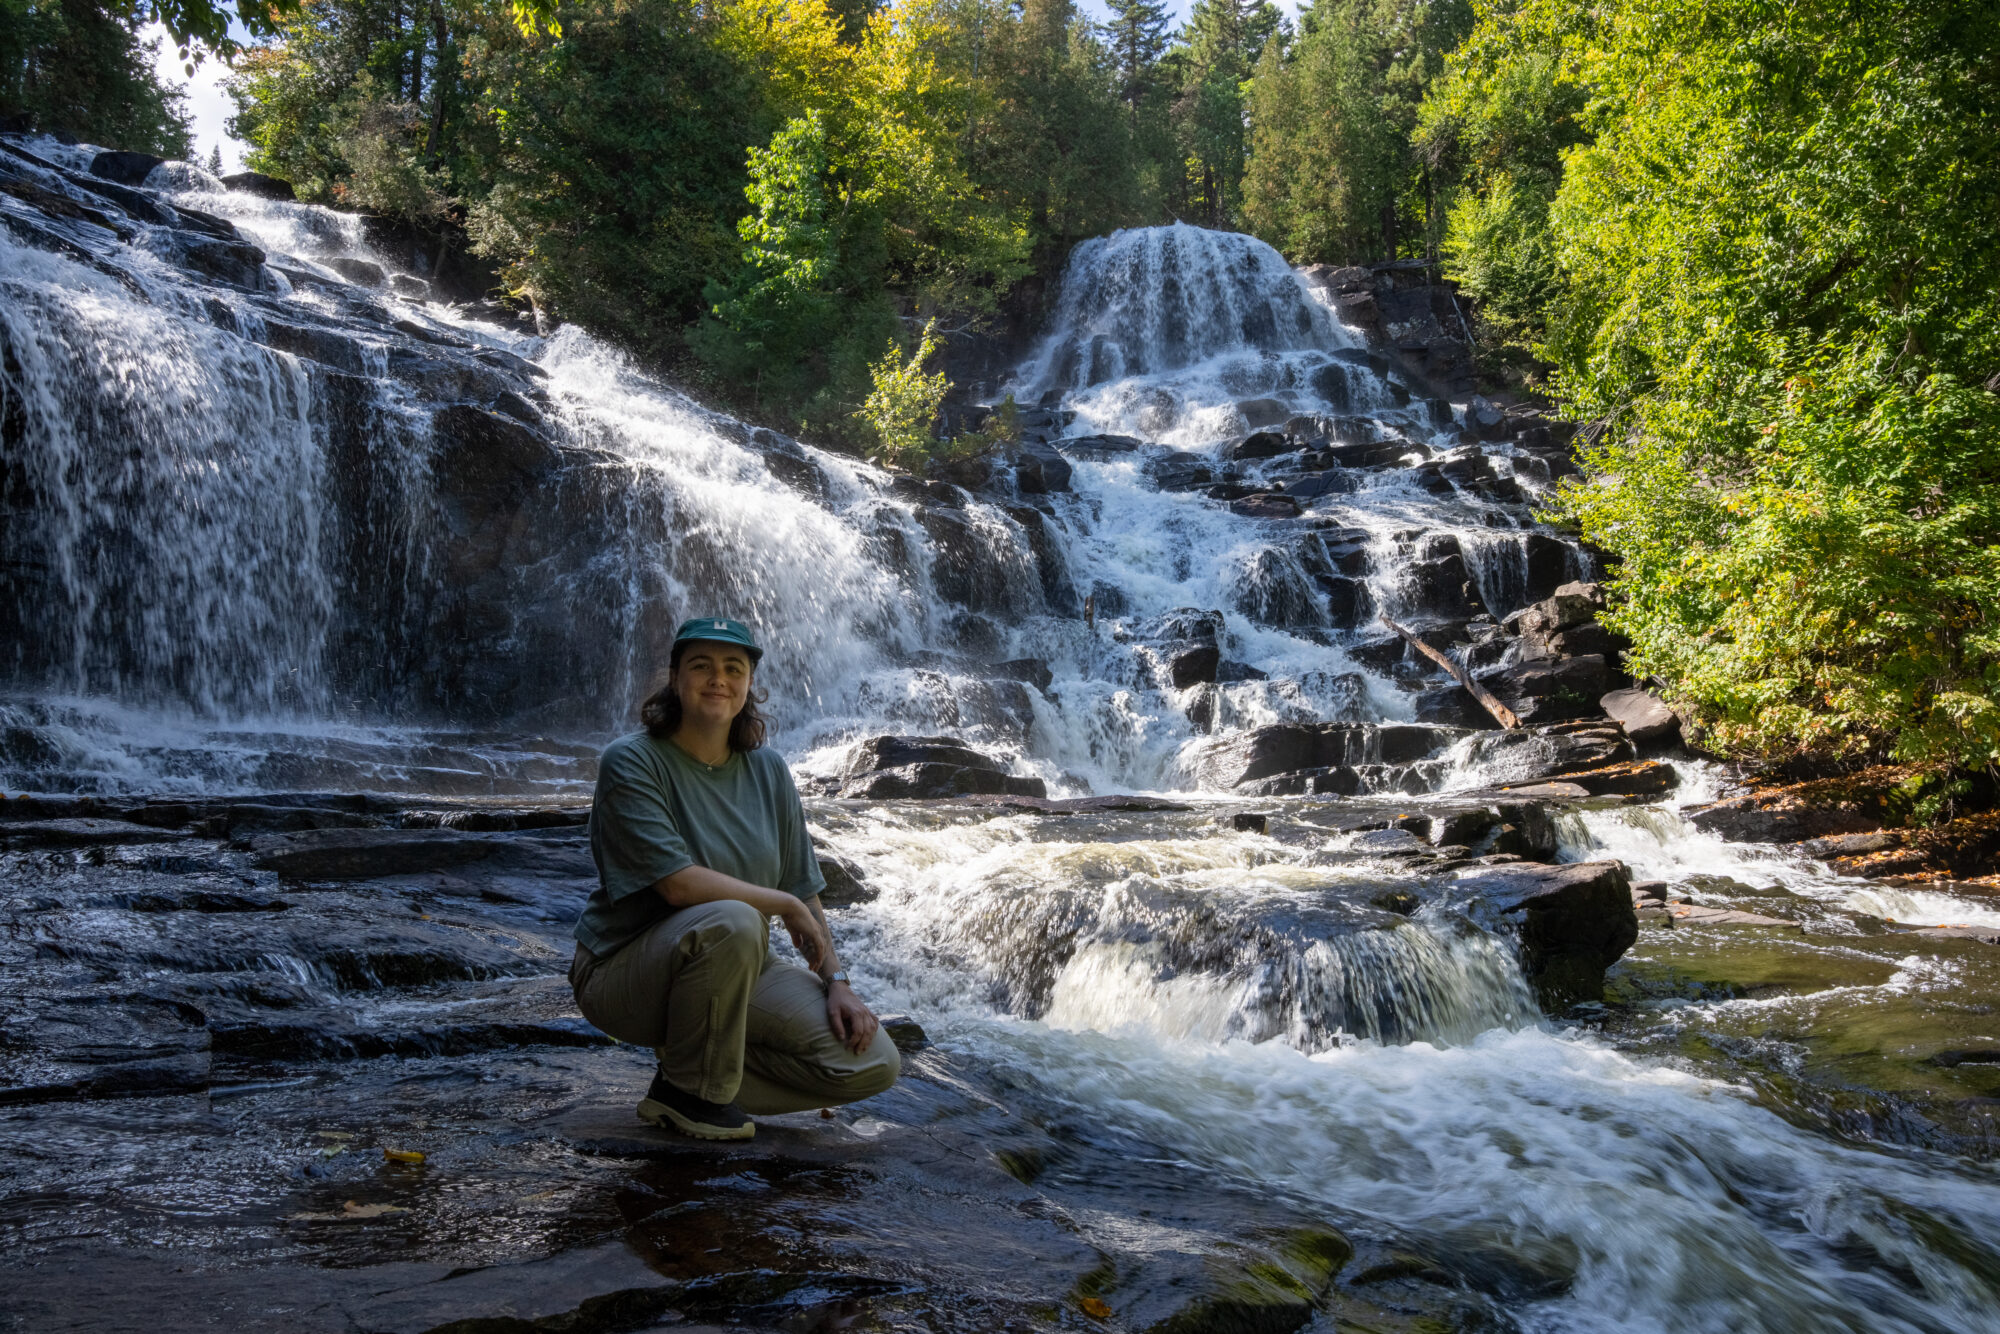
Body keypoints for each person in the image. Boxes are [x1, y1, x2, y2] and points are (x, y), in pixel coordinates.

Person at [569, 617, 899, 1140]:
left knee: (875, 1061)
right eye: (701, 666)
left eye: (733, 668)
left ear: (749, 686)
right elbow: (677, 885)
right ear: (675, 678)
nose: (717, 678)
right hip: (625, 973)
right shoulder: (632, 761)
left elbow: (802, 887)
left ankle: (689, 1079)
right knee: (737, 920)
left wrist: (836, 982)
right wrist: (782, 906)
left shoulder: (768, 771)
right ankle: (691, 1093)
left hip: (739, 967)